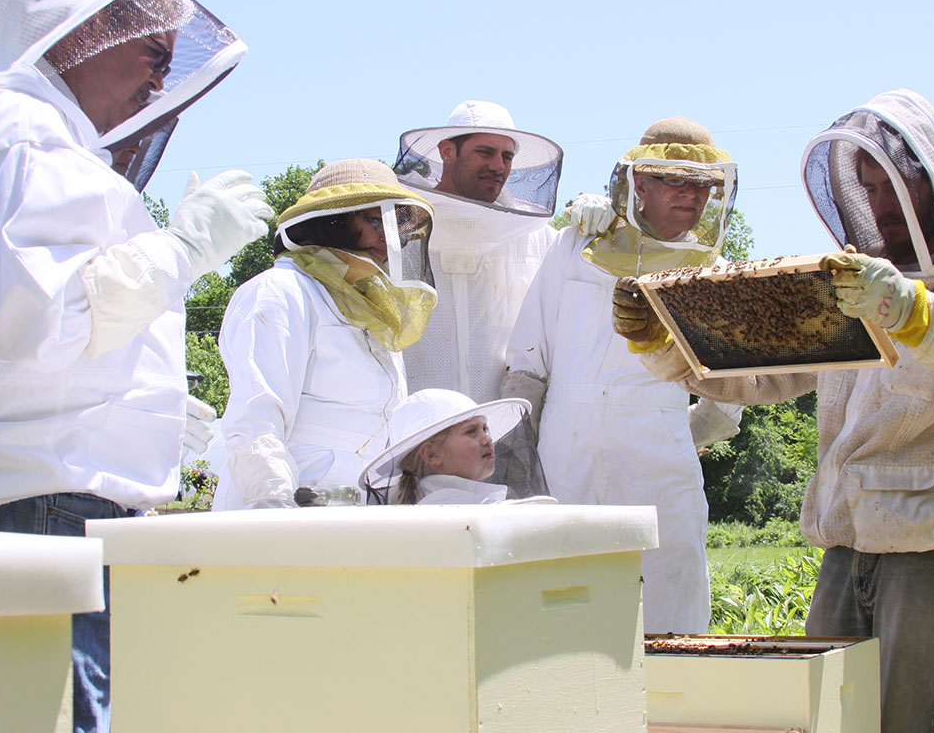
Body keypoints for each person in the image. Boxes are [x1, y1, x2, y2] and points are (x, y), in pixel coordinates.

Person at [0, 0, 271, 733]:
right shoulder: (19, 131)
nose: (159, 81)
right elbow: (44, 323)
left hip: (21, 502)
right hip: (38, 512)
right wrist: (184, 249)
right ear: (83, 29)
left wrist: (148, 407)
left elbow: (19, 332)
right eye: (153, 52)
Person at [615, 89, 934, 731]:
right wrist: (663, 346)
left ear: (929, 185)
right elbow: (757, 371)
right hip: (845, 546)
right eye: (865, 188)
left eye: (891, 186)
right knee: (830, 717)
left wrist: (915, 315)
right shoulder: (850, 284)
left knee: (914, 721)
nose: (877, 204)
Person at [502, 117, 742, 635]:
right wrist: (520, 465)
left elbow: (727, 400)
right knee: (558, 605)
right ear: (639, 184)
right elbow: (527, 364)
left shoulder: (716, 268)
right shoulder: (574, 246)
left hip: (661, 462)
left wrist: (671, 431)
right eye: (676, 180)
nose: (693, 196)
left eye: (704, 185)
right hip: (563, 454)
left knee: (669, 608)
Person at [213, 159, 437, 509]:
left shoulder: (371, 311)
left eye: (396, 227)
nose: (387, 239)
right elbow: (255, 423)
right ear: (332, 221)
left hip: (349, 522)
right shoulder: (279, 291)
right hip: (283, 521)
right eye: (376, 222)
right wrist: (274, 513)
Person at [393, 101, 563, 402]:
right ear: (447, 151)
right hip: (417, 426)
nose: (498, 166)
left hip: (503, 430)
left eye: (507, 156)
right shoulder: (399, 231)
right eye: (485, 152)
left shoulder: (536, 239)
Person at [359, 389, 549, 505]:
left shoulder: (463, 501)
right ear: (431, 453)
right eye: (471, 431)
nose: (487, 439)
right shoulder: (447, 509)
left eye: (485, 428)